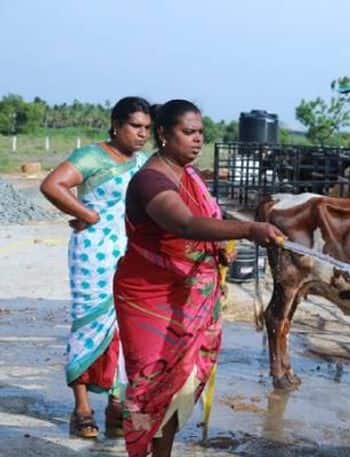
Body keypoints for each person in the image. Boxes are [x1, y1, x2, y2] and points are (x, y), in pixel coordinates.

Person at [113, 99, 284, 457]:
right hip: (152, 298)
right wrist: (249, 229)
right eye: (188, 132)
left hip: (191, 297)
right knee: (151, 384)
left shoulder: (189, 177)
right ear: (163, 134)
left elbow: (212, 217)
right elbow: (184, 224)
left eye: (201, 133)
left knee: (181, 385)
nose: (197, 140)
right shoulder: (150, 180)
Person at [40, 96, 151, 439]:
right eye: (135, 126)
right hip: (93, 254)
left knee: (127, 327)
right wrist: (87, 215)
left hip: (131, 255)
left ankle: (117, 406)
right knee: (89, 323)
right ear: (116, 125)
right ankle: (82, 409)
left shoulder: (144, 163)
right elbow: (52, 185)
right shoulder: (92, 156)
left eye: (147, 128)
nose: (142, 134)